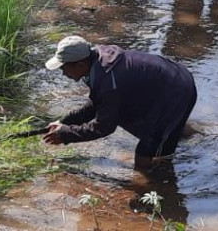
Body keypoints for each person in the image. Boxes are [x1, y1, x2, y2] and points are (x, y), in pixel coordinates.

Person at [42, 35, 198, 169]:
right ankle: (200, 136)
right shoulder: (98, 59)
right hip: (175, 77)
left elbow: (104, 127)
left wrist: (66, 135)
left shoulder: (108, 82)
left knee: (146, 154)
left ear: (80, 64)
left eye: (64, 68)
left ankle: (158, 185)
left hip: (178, 91)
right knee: (170, 128)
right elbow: (96, 105)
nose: (63, 73)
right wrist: (65, 123)